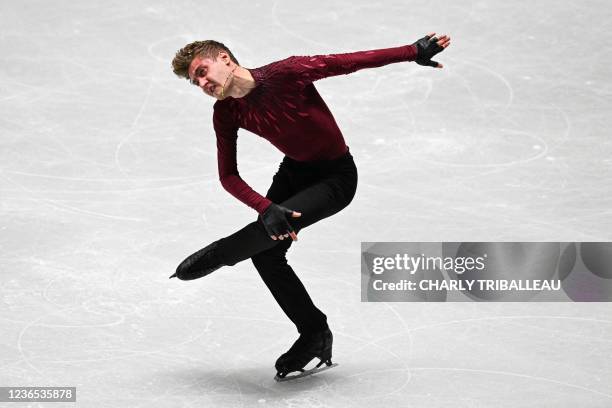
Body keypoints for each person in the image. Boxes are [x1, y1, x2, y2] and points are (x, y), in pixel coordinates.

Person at [169, 33, 451, 379]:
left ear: (225, 58)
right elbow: (228, 175)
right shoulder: (225, 112)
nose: (202, 83)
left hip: (335, 178)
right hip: (294, 172)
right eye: (195, 80)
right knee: (266, 252)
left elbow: (349, 61)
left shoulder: (288, 73)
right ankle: (315, 334)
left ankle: (224, 252)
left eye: (202, 70)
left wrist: (412, 52)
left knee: (260, 240)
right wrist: (265, 207)